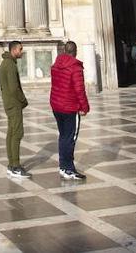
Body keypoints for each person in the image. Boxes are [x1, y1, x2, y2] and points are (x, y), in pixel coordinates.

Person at [50, 41, 90, 180]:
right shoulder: (75, 67)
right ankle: (69, 168)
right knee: (70, 138)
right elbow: (80, 89)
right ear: (75, 51)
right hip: (70, 106)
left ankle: (63, 166)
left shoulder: (56, 65)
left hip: (57, 105)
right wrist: (84, 107)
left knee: (63, 136)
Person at [0, 41, 30, 178]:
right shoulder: (10, 65)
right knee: (17, 133)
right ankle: (15, 166)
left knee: (11, 133)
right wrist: (23, 100)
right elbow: (13, 88)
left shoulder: (5, 63)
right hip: (14, 103)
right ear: (14, 50)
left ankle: (12, 164)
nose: (22, 51)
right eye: (20, 49)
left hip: (9, 103)